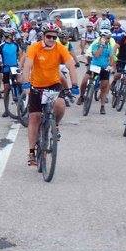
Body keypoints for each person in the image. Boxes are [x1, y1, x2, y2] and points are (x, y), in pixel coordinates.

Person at [20, 26, 80, 166]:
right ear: (43, 36)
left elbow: (71, 65)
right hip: (36, 86)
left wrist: (75, 84)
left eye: (54, 37)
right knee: (34, 117)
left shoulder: (60, 48)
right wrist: (26, 83)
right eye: (49, 36)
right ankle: (31, 152)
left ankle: (55, 125)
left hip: (53, 85)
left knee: (60, 105)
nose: (51, 39)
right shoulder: (35, 47)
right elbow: (27, 66)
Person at [81, 28, 117, 115]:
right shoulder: (95, 45)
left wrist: (110, 66)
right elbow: (97, 55)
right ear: (102, 37)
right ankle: (81, 96)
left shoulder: (109, 47)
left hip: (104, 68)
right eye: (107, 38)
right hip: (94, 66)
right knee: (85, 80)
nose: (108, 40)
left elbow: (112, 58)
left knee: (104, 87)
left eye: (109, 38)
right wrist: (101, 46)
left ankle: (102, 106)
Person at [0, 28, 22, 117]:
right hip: (6, 69)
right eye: (12, 35)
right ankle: (6, 110)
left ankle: (22, 103)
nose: (14, 37)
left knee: (19, 83)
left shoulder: (16, 45)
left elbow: (21, 54)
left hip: (15, 68)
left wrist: (20, 63)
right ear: (9, 36)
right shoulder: (2, 46)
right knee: (6, 89)